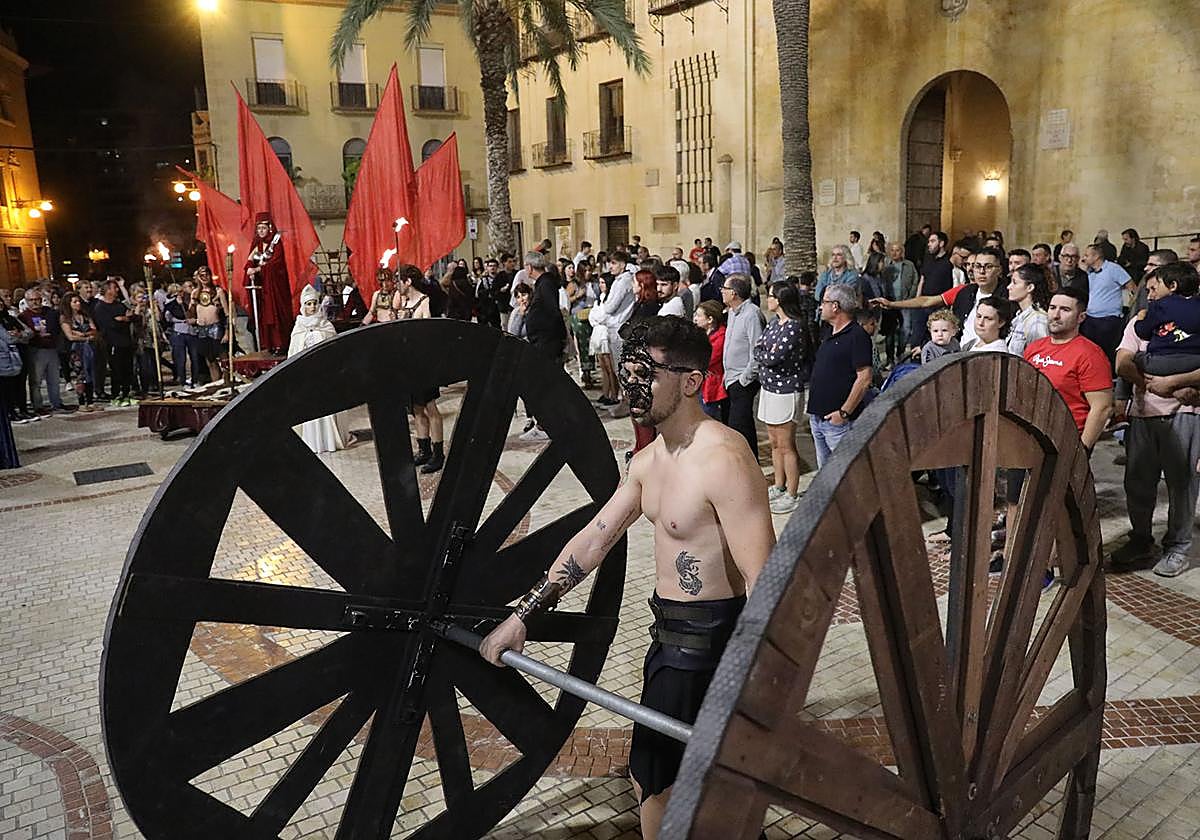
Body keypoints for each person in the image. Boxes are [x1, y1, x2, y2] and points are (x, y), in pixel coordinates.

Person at [480, 315, 775, 840]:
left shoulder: (725, 458)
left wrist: (748, 685)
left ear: (689, 381)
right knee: (655, 781)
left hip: (712, 649)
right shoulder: (647, 461)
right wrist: (523, 616)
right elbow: (593, 541)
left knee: (703, 787)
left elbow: (764, 580)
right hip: (666, 644)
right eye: (630, 367)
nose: (633, 381)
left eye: (647, 371)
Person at [1112, 267, 1200, 578]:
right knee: (1137, 482)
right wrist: (1149, 385)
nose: (1148, 295)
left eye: (1153, 288)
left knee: (1182, 484)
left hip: (1186, 414)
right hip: (1145, 413)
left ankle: (1177, 547)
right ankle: (1140, 539)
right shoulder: (1140, 323)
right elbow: (1123, 361)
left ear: (1172, 288)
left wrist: (1176, 381)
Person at [1023, 287, 1114, 453]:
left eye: (1065, 310)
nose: (1056, 315)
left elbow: (1102, 408)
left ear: (1081, 317)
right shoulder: (1034, 348)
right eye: (1052, 308)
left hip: (1065, 441)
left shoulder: (1090, 354)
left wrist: (1082, 450)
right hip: (1030, 438)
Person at [756, 282, 812, 513]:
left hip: (787, 391)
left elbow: (772, 357)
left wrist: (764, 355)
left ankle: (792, 491)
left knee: (786, 444)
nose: (767, 300)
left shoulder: (795, 327)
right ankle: (778, 485)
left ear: (780, 299)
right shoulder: (773, 323)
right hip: (769, 388)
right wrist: (764, 354)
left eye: (770, 296)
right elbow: (759, 348)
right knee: (774, 443)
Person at [807, 284, 872, 467]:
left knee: (847, 473)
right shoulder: (828, 332)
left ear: (835, 306)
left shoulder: (857, 335)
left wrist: (844, 412)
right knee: (825, 475)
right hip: (818, 418)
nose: (821, 306)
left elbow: (864, 378)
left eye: (824, 302)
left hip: (838, 422)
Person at [287, 285, 353, 453]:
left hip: (325, 374)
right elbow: (294, 353)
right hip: (307, 375)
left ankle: (330, 440)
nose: (312, 307)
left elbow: (334, 350)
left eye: (314, 303)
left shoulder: (326, 325)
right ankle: (313, 441)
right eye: (308, 304)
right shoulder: (299, 328)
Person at [395, 265, 445, 473]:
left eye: (400, 281)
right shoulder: (403, 302)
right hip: (408, 364)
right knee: (416, 409)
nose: (397, 285)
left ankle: (438, 453)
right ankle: (423, 449)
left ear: (408, 282)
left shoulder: (424, 302)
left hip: (423, 363)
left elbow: (429, 333)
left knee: (430, 408)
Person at [720, 274, 765, 458]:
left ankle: (748, 464)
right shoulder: (731, 311)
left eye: (724, 288)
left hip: (742, 380)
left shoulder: (752, 314)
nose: (721, 291)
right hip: (729, 378)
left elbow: (758, 350)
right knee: (732, 426)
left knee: (741, 426)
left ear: (734, 293)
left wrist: (744, 379)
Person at [1132, 262, 1200, 376]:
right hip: (1196, 362)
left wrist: (1140, 319)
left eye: (1157, 285)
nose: (1152, 294)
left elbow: (1143, 332)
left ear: (1173, 286)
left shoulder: (1160, 305)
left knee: (1135, 358)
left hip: (1162, 362)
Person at [244, 213, 293, 354]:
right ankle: (268, 344)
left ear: (269, 229)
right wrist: (249, 268)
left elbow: (276, 264)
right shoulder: (257, 244)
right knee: (264, 315)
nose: (260, 231)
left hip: (275, 287)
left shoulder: (276, 244)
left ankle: (281, 344)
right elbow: (250, 260)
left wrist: (258, 269)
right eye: (258, 228)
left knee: (277, 314)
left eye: (263, 228)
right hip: (263, 287)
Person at [1080, 242, 1134, 363]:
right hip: (1090, 318)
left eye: (1086, 255)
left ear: (1096, 256)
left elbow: (1131, 287)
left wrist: (1132, 307)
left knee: (1107, 352)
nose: (1084, 258)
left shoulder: (1113, 269)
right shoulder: (1089, 273)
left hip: (1109, 319)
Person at [18, 288, 67, 414]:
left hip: (51, 348)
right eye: (32, 300)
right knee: (36, 380)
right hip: (35, 349)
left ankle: (56, 403)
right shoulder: (23, 317)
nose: (35, 302)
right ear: (27, 301)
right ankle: (38, 406)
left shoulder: (49, 312)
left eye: (37, 299)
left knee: (54, 379)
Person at [693, 300, 728, 423]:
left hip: (712, 385)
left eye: (698, 315)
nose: (695, 319)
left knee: (710, 420)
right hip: (701, 383)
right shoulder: (701, 334)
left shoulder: (721, 335)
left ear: (710, 319)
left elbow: (707, 359)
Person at [1005, 264, 1051, 357]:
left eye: (1015, 282)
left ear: (1030, 287)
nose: (1008, 287)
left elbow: (1039, 357)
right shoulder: (1019, 316)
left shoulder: (1038, 321)